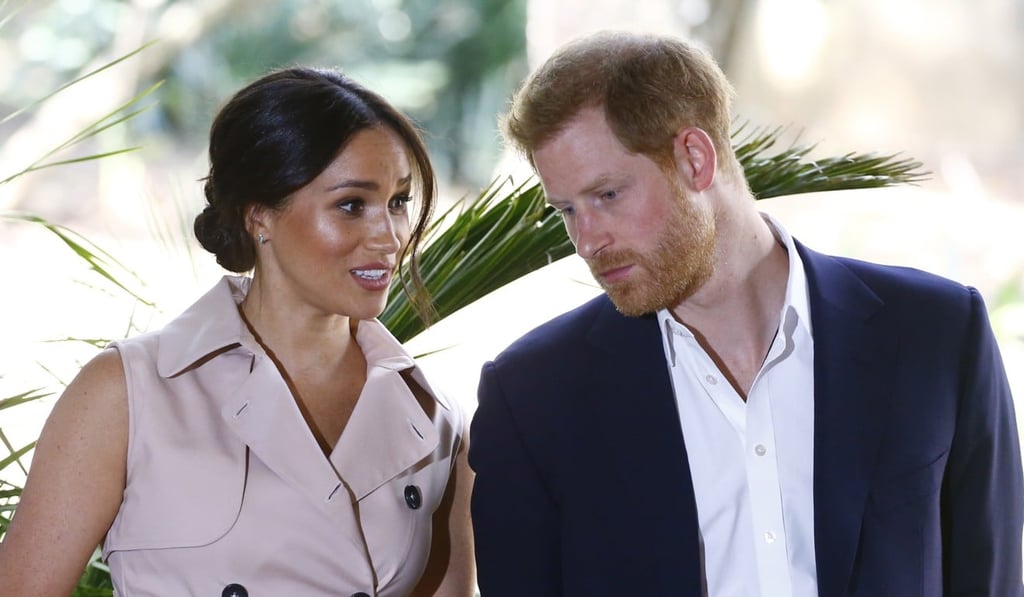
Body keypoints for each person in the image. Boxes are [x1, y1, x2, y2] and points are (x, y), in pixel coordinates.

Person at [468, 30, 1024, 596]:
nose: (586, 241)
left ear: (694, 158)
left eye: (607, 195)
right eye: (566, 209)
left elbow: (991, 577)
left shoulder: (937, 333)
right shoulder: (533, 398)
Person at [0, 67, 474, 596]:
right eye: (351, 205)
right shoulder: (127, 392)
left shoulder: (434, 415)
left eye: (398, 203)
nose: (388, 237)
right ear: (260, 216)